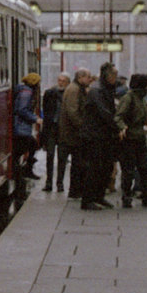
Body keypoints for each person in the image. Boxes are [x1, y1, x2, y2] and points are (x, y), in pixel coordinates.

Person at [80, 61, 120, 210]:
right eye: (114, 75)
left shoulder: (106, 89)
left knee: (106, 167)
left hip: (104, 136)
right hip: (94, 136)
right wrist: (117, 127)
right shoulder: (97, 91)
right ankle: (88, 199)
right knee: (95, 168)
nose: (116, 78)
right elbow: (105, 113)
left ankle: (99, 196)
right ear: (107, 76)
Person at [116, 72, 147, 208]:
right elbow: (118, 117)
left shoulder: (140, 98)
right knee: (129, 170)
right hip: (129, 139)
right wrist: (123, 127)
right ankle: (127, 197)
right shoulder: (129, 98)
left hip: (139, 138)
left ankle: (146, 196)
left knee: (145, 169)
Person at [60, 68, 90, 199]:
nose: (89, 80)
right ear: (81, 78)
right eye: (88, 77)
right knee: (78, 163)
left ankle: (77, 190)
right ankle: (75, 190)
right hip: (73, 133)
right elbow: (73, 112)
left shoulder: (76, 88)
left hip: (73, 132)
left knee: (78, 163)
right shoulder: (74, 90)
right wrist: (83, 126)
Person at [42, 73, 69, 192]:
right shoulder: (50, 93)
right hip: (52, 128)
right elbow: (46, 111)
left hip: (63, 129)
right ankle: (49, 182)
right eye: (59, 80)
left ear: (67, 82)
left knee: (62, 157)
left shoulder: (69, 94)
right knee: (50, 156)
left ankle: (60, 183)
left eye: (63, 80)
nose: (61, 82)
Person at [13, 72, 41, 187]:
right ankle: (22, 174)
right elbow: (22, 110)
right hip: (21, 128)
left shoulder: (22, 90)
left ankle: (25, 171)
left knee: (30, 145)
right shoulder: (27, 93)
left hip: (21, 127)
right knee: (26, 147)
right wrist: (35, 119)